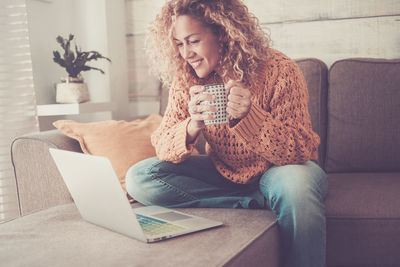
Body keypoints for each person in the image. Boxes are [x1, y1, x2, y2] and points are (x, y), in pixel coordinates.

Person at [126, 0, 328, 266]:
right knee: (140, 177)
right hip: (226, 173)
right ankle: (254, 201)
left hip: (281, 170)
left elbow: (299, 148)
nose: (186, 53)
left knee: (295, 187)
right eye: (179, 43)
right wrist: (191, 125)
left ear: (222, 33)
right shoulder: (187, 78)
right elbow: (162, 146)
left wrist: (250, 117)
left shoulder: (278, 69)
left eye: (193, 41)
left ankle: (273, 198)